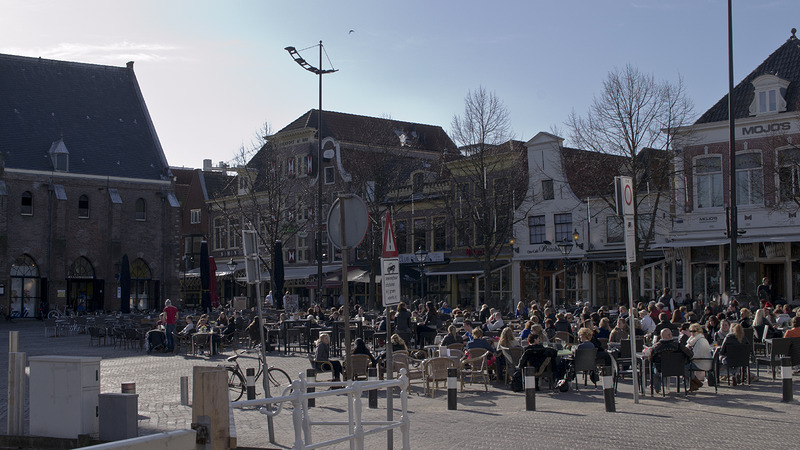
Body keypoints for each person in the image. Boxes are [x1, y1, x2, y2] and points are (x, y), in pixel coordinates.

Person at [648, 328, 693, 393]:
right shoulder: (678, 346)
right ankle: (691, 383)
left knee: (654, 369)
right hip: (678, 369)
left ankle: (657, 387)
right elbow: (690, 355)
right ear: (669, 335)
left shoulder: (655, 348)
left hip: (662, 369)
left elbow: (650, 359)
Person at [686, 323, 713, 391]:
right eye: (691, 331)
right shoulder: (692, 340)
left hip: (703, 362)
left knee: (684, 368)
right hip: (698, 361)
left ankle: (697, 382)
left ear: (699, 331)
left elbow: (698, 355)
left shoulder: (701, 341)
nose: (692, 333)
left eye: (694, 331)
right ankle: (694, 384)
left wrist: (689, 357)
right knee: (683, 366)